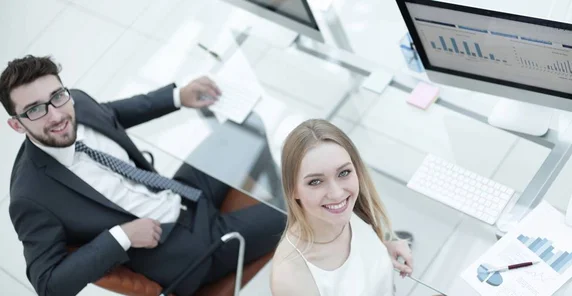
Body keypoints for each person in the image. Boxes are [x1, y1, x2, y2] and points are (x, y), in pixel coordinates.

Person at [1, 55, 286, 296]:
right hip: (179, 248)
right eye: (35, 109)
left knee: (247, 128)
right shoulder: (30, 196)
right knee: (295, 212)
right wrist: (121, 237)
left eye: (57, 96)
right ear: (16, 125)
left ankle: (271, 187)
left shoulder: (77, 103)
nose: (56, 116)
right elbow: (49, 284)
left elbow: (110, 113)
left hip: (177, 190)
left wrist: (176, 97)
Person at [270, 119, 415, 296]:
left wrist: (385, 242)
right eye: (315, 181)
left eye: (344, 173)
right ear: (293, 190)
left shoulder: (351, 210)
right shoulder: (291, 279)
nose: (337, 194)